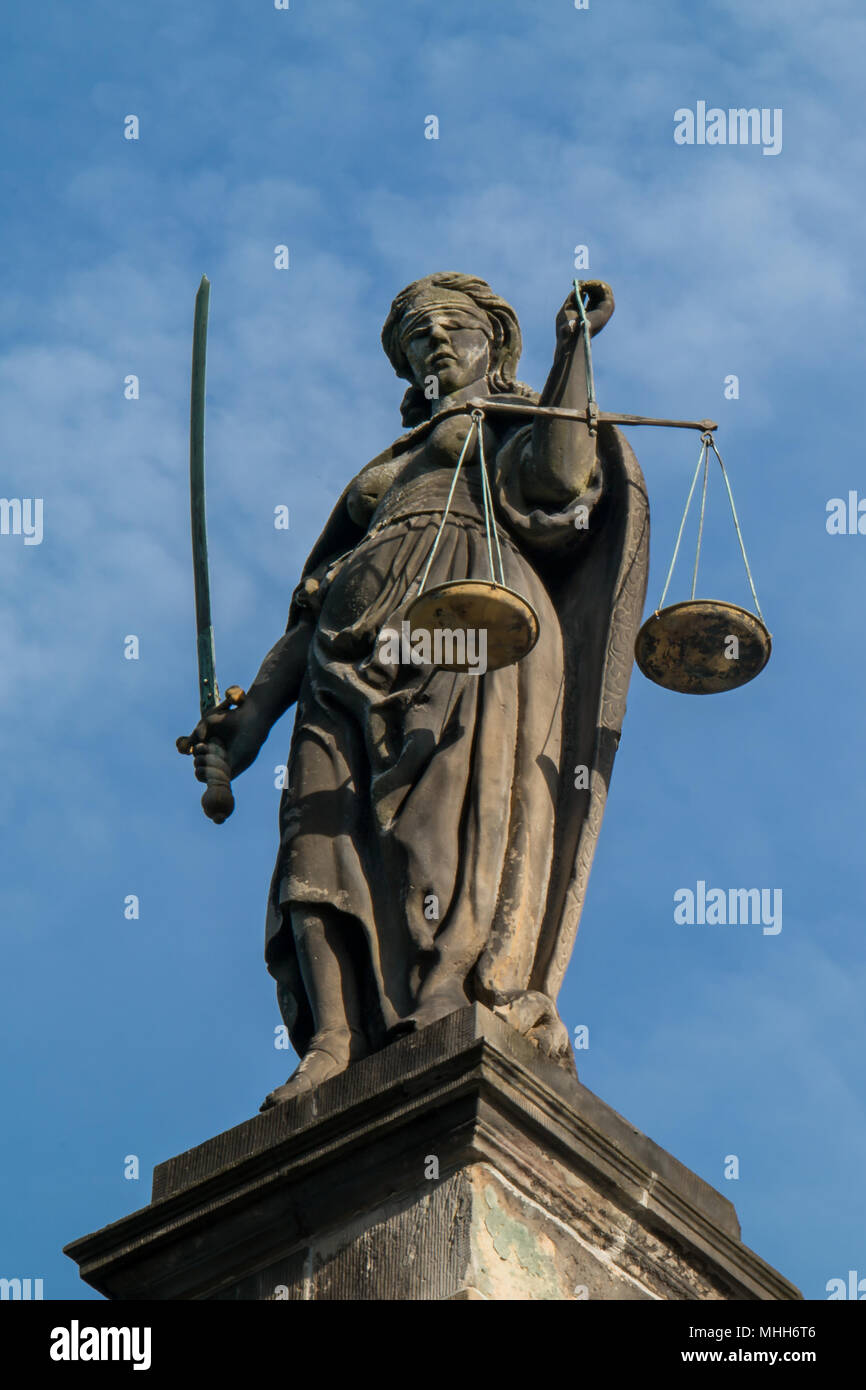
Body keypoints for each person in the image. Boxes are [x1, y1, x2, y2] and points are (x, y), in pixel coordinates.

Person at [190, 273, 649, 1109]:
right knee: (315, 832)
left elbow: (558, 477)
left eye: (453, 328)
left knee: (439, 810)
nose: (436, 342)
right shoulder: (387, 468)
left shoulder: (502, 423)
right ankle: (335, 1039)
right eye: (417, 337)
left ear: (494, 341)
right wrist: (250, 719)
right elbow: (308, 613)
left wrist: (573, 350)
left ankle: (444, 994)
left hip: (469, 616)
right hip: (345, 643)